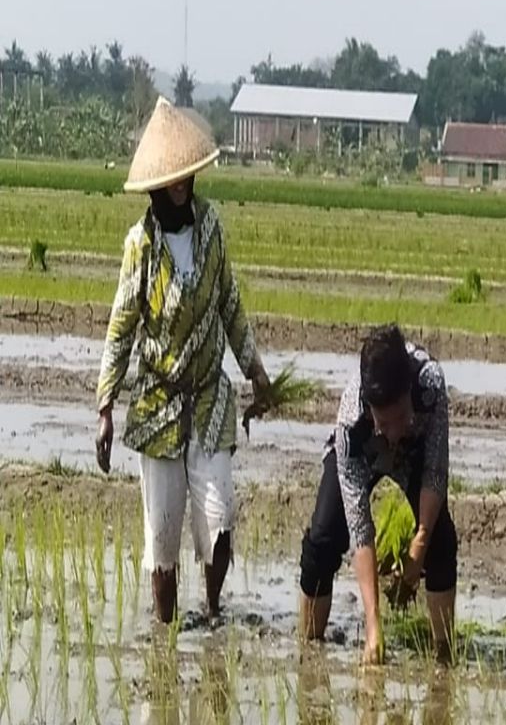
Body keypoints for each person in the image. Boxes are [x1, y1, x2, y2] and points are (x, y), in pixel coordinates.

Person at [95, 96, 271, 623]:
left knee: (220, 519)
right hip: (159, 404)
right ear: (156, 185)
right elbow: (121, 325)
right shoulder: (141, 246)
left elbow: (230, 303)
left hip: (210, 399)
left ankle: (213, 611)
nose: (180, 185)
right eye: (170, 178)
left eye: (185, 176)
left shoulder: (211, 227)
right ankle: (166, 629)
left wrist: (256, 372)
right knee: (163, 533)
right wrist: (104, 406)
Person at [298, 325, 458, 666]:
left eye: (400, 417)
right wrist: (373, 626)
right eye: (384, 421)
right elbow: (361, 528)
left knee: (442, 541)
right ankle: (309, 649)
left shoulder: (430, 383)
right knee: (323, 539)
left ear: (407, 395)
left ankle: (444, 655)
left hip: (414, 456)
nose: (393, 429)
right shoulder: (351, 424)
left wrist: (420, 543)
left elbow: (434, 470)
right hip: (366, 454)